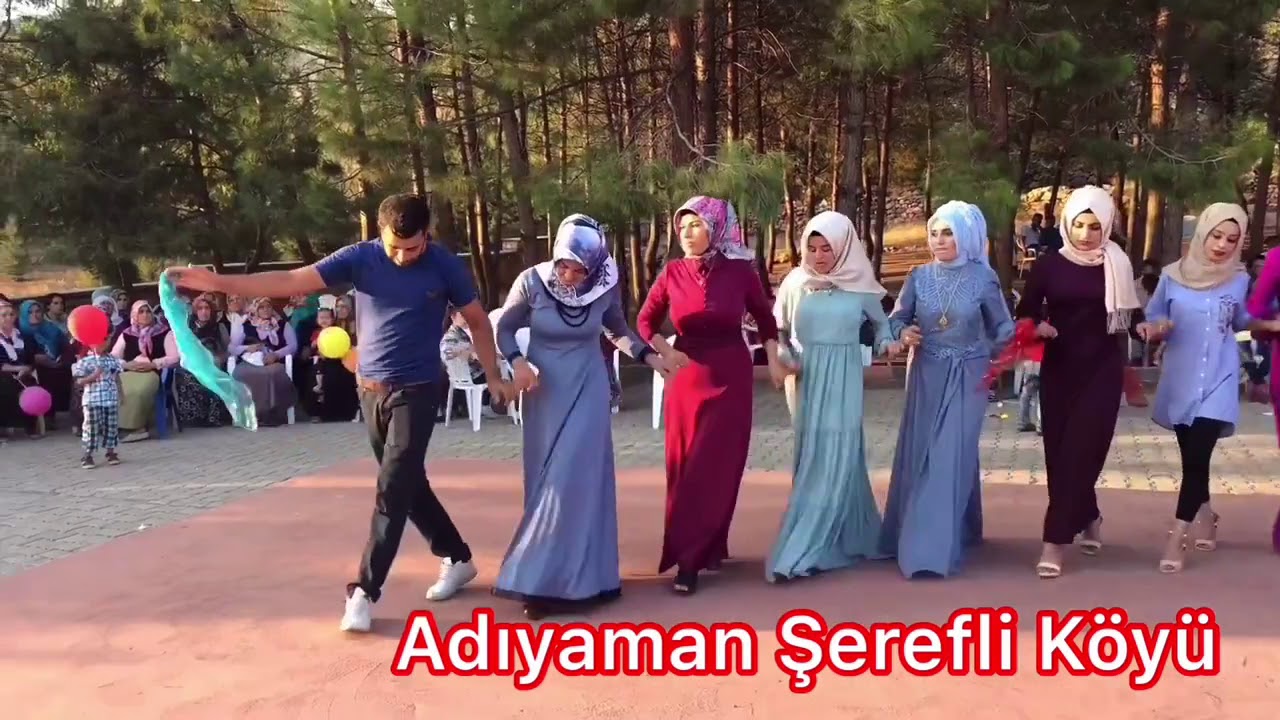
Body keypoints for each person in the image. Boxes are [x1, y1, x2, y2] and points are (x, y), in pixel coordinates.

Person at [165, 193, 510, 633]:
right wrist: (217, 282)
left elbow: (477, 321)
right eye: (394, 247)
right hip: (370, 390)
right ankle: (457, 557)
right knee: (407, 483)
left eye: (413, 248)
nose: (403, 256)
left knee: (392, 489)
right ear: (380, 233)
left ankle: (364, 591)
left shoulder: (444, 266)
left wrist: (494, 376)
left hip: (418, 390)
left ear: (427, 235)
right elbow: (290, 279)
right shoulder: (360, 258)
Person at [494, 214, 670, 619]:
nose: (570, 276)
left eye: (579, 270)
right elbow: (505, 328)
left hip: (589, 386)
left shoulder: (604, 285)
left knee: (580, 477)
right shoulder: (532, 281)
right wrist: (517, 361)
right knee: (547, 481)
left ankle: (590, 578)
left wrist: (648, 357)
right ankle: (539, 581)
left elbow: (617, 329)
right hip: (544, 390)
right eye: (564, 266)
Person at [636, 195, 786, 595]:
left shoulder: (740, 271)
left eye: (696, 225)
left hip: (730, 376)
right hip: (687, 379)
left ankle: (701, 551)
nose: (686, 233)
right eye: (681, 226)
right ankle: (691, 552)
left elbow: (766, 319)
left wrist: (773, 360)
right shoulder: (672, 272)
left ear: (716, 229)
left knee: (719, 466)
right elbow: (645, 321)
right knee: (686, 466)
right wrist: (665, 352)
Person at [877, 201, 1015, 579]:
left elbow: (1003, 328)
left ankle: (928, 550)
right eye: (934, 233)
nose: (938, 240)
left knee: (949, 453)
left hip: (969, 374)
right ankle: (961, 527)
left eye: (948, 233)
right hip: (926, 372)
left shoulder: (983, 279)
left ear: (965, 236)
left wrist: (992, 357)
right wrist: (904, 333)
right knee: (924, 450)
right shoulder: (918, 276)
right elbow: (897, 320)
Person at [1138, 203, 1276, 572]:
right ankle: (1207, 515)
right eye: (1216, 236)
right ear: (1203, 233)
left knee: (1198, 456)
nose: (1222, 245)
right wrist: (1156, 327)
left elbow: (1242, 320)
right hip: (1180, 377)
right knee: (1192, 460)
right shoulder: (1172, 276)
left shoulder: (1239, 279)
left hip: (1220, 375)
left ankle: (1176, 537)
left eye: (1232, 240)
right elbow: (1154, 314)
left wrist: (1269, 324)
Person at [1014, 186, 1142, 578]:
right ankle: (1089, 515)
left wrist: (1147, 328)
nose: (1086, 234)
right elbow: (1026, 313)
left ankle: (1054, 541)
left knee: (1083, 450)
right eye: (1080, 225)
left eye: (1095, 226)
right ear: (1068, 224)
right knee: (1059, 454)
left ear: (1108, 227)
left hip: (1102, 369)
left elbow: (1132, 318)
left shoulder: (1117, 264)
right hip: (1059, 369)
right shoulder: (1049, 266)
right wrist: (1038, 327)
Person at [767, 211, 899, 582]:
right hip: (806, 378)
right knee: (812, 453)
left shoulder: (859, 285)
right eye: (812, 248)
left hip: (844, 378)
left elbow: (882, 329)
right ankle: (832, 532)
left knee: (839, 448)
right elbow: (777, 330)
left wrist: (889, 344)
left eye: (827, 248)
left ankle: (809, 546)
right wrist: (783, 356)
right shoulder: (796, 282)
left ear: (843, 247)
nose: (819, 256)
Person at [110, 300, 180, 442]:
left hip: (152, 372)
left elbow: (174, 357)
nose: (145, 314)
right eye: (141, 312)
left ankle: (136, 428)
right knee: (119, 388)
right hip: (129, 372)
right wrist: (126, 364)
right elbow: (113, 357)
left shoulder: (164, 332)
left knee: (138, 390)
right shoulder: (126, 334)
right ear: (134, 315)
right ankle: (120, 427)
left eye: (148, 311)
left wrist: (154, 364)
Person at [71, 338, 125, 468]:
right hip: (92, 400)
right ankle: (87, 454)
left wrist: (121, 393)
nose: (102, 344)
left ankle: (110, 452)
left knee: (111, 426)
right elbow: (78, 382)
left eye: (105, 340)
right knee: (91, 428)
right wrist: (94, 375)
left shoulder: (113, 360)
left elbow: (116, 377)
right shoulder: (85, 361)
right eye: (98, 341)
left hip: (110, 398)